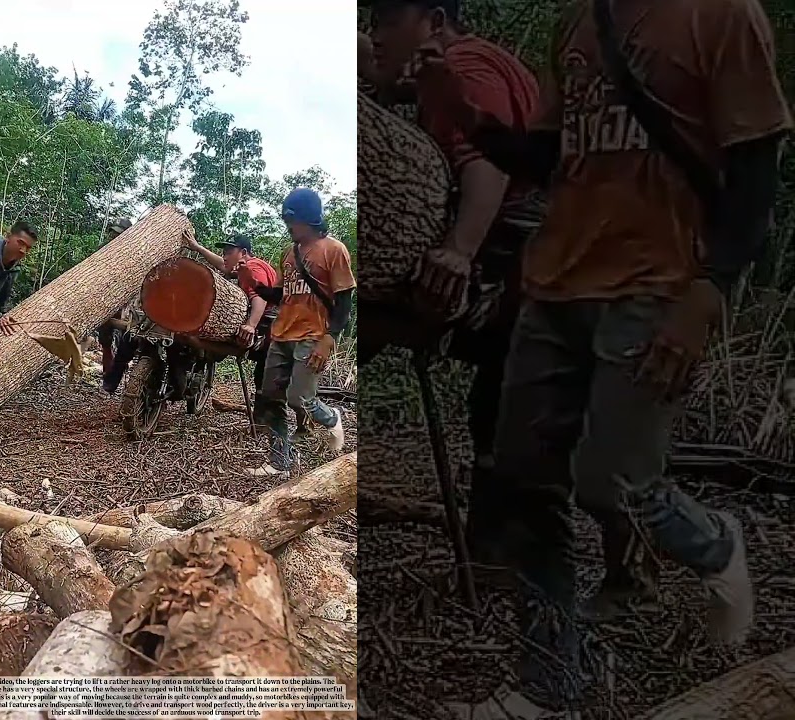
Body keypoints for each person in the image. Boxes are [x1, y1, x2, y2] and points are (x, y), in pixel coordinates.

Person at [430, 0, 791, 716]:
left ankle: (715, 542)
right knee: (527, 482)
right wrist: (470, 120)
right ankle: (547, 683)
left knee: (614, 481)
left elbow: (757, 172)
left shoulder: (722, 14)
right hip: (557, 283)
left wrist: (709, 291)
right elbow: (551, 159)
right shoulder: (581, 22)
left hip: (657, 284)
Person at [369, 0, 661, 607]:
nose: (375, 35)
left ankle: (531, 576)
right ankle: (540, 564)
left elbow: (488, 167)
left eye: (383, 21)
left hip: (538, 260)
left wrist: (457, 250)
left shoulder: (469, 64)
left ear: (432, 18)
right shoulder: (453, 72)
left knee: (522, 415)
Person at [247, 188, 354, 478]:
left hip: (313, 334)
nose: (287, 226)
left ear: (309, 220)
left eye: (290, 220)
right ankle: (279, 461)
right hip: (282, 334)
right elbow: (282, 294)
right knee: (271, 396)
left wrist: (329, 338)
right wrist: (256, 287)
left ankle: (332, 417)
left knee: (300, 398)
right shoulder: (289, 254)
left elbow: (344, 300)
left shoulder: (334, 250)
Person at [184, 232, 279, 396]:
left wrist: (250, 325)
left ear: (243, 253)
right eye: (224, 253)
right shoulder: (245, 267)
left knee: (265, 384)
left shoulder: (253, 268)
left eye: (229, 252)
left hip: (270, 328)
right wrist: (197, 247)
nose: (225, 256)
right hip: (271, 327)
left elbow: (259, 297)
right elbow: (223, 265)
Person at [96, 218, 133, 378]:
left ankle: (120, 366)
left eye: (118, 234)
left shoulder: (136, 254)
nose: (114, 237)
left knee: (129, 335)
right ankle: (108, 363)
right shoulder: (102, 250)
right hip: (105, 297)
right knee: (105, 333)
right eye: (113, 233)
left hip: (128, 298)